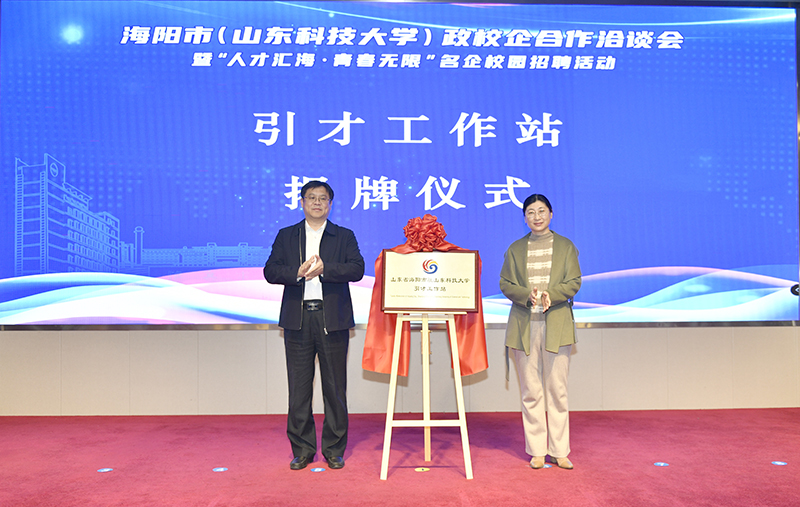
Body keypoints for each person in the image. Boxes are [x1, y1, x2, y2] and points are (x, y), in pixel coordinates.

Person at [264, 180, 365, 471]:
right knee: (299, 389)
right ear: (302, 202)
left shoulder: (343, 235)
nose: (317, 203)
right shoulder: (287, 235)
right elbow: (270, 271)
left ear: (330, 204)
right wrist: (296, 273)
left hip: (332, 319)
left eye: (323, 198)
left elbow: (357, 268)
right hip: (298, 320)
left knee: (335, 388)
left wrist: (326, 270)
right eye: (311, 198)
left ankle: (334, 449)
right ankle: (303, 450)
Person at [499, 193, 581, 470]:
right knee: (531, 391)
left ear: (551, 214)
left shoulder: (566, 246)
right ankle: (536, 450)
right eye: (531, 212)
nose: (537, 217)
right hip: (524, 327)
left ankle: (559, 450)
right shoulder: (515, 249)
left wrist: (551, 295)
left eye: (542, 211)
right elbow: (505, 283)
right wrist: (526, 295)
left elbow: (574, 281)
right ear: (524, 218)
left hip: (556, 324)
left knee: (557, 390)